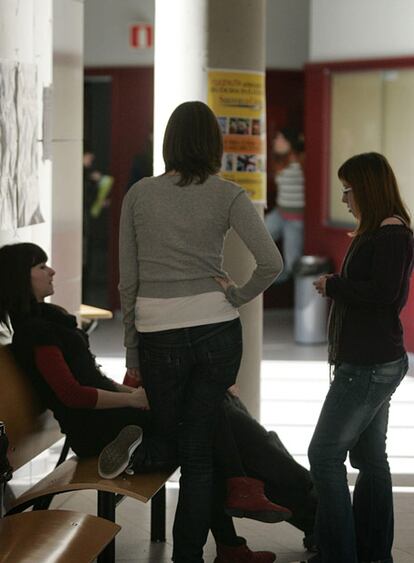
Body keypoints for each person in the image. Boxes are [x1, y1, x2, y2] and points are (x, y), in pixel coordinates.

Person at [0, 242, 315, 563]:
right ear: (19, 279)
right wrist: (135, 399)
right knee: (208, 430)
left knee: (211, 414)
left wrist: (137, 396)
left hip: (113, 421)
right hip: (99, 431)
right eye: (41, 267)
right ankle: (267, 512)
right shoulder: (35, 333)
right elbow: (73, 394)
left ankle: (244, 514)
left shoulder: (49, 321)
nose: (51, 271)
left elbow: (93, 380)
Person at [118, 100, 284, 563]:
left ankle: (147, 452)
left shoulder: (139, 195)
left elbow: (127, 282)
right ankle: (194, 552)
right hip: (217, 332)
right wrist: (237, 295)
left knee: (182, 441)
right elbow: (271, 263)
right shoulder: (228, 194)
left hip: (158, 334)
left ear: (168, 142)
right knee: (199, 450)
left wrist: (132, 352)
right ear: (215, 144)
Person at [305, 152, 414, 563]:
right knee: (370, 458)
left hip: (368, 368)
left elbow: (384, 294)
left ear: (367, 188)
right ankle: (372, 553)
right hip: (372, 362)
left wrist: (335, 285)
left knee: (324, 455)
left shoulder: (390, 233)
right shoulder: (383, 232)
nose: (345, 197)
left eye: (349, 188)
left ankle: (339, 554)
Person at [265, 128, 305, 284]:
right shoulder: (280, 161)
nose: (275, 141)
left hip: (295, 219)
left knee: (291, 263)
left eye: (280, 138)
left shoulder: (301, 161)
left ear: (289, 142)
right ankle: (266, 277)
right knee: (257, 237)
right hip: (280, 213)